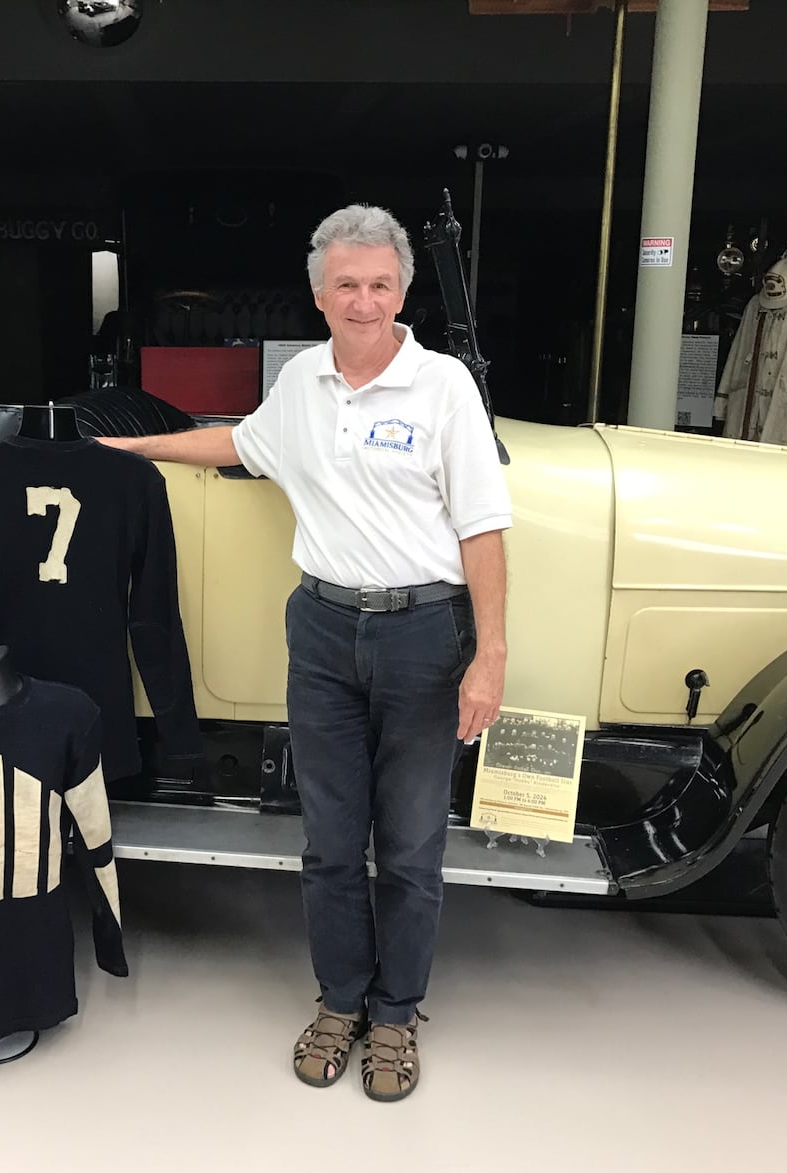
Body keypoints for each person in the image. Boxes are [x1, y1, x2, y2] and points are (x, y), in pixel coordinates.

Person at [99, 204, 512, 1102]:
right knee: (329, 843)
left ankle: (395, 1017)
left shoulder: (443, 388)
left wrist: (489, 657)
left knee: (408, 846)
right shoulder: (303, 383)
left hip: (422, 634)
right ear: (320, 295)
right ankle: (339, 1001)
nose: (365, 302)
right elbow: (237, 444)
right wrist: (127, 448)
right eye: (347, 286)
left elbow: (484, 528)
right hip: (321, 631)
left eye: (381, 285)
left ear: (403, 292)